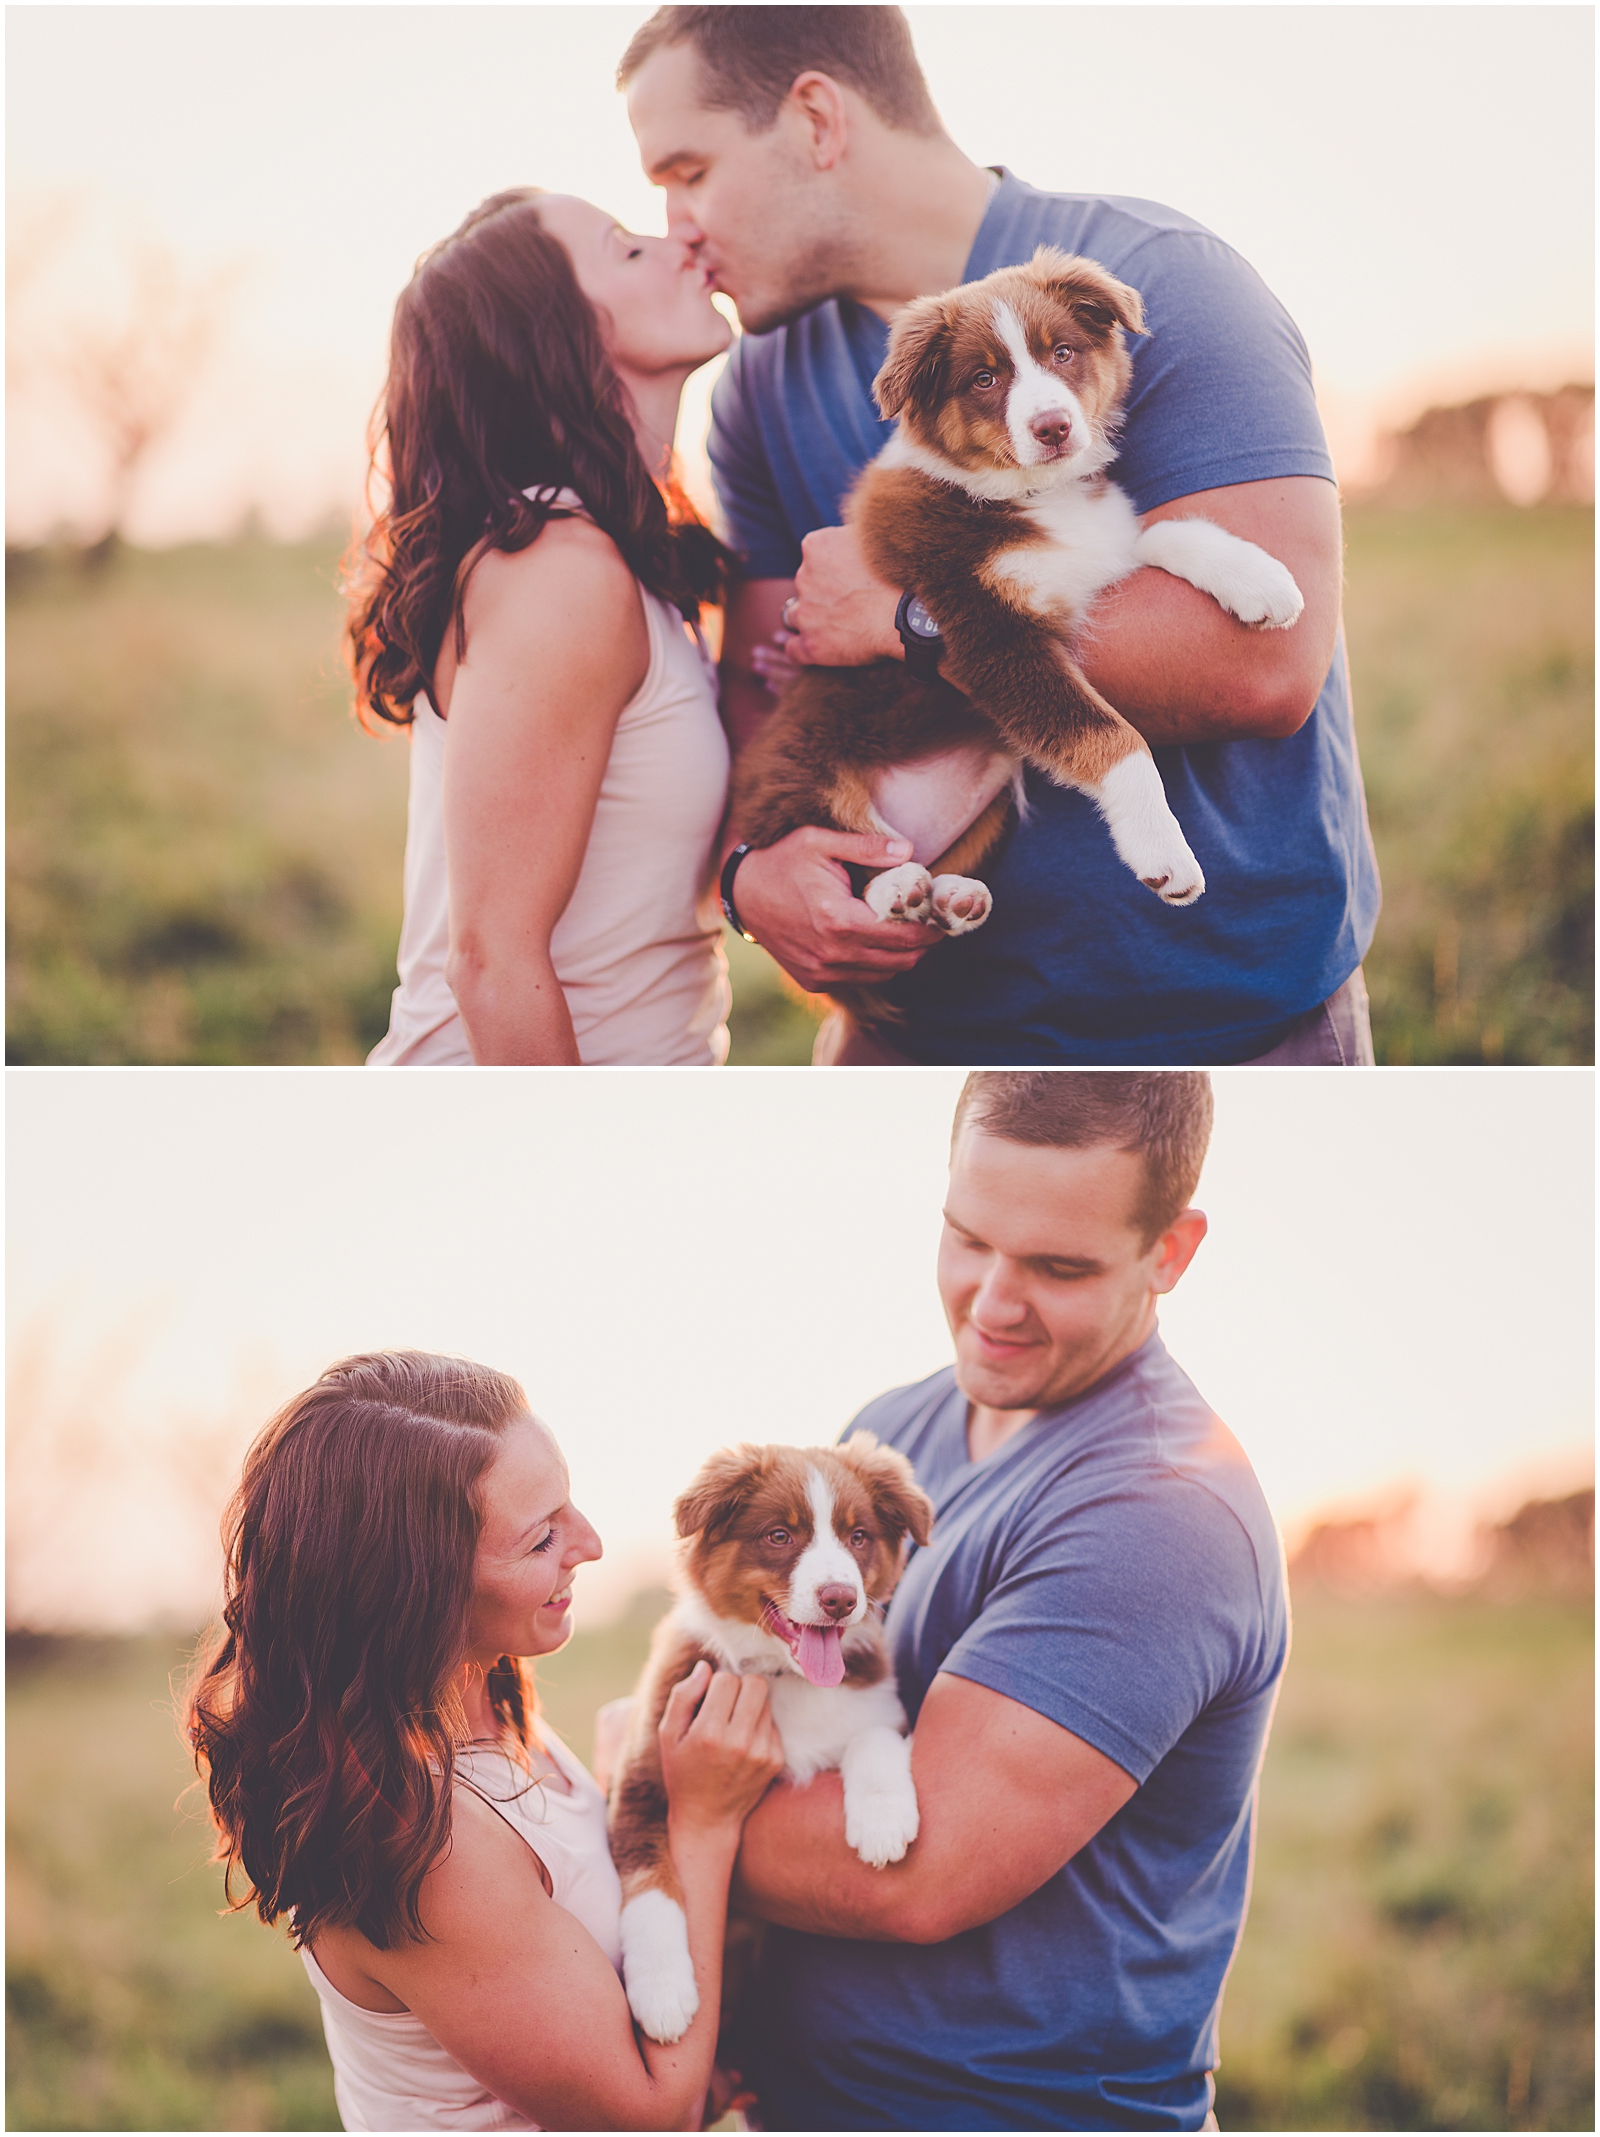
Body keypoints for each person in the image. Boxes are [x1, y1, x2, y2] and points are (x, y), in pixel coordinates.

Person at [619, 6, 1382, 1067]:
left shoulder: (1167, 280)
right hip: (906, 1040)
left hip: (1227, 1037)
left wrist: (905, 621)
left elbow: (1260, 668)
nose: (676, 223)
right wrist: (752, 872)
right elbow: (761, 687)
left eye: (689, 170)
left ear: (815, 120)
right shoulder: (756, 386)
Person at [721, 1073, 1289, 2130]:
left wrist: (665, 1806)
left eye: (1057, 1266)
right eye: (967, 1237)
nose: (990, 1302)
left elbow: (916, 1874)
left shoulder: (1158, 1509)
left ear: (1170, 1251)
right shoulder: (889, 1438)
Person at [184, 1350, 784, 2131]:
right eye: (541, 1540)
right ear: (420, 1593)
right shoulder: (430, 1842)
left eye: (569, 1505)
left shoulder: (480, 1708)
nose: (591, 1543)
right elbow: (648, 2113)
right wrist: (703, 1822)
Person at [351, 189, 737, 1065]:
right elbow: (491, 962)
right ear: (558, 337)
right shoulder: (558, 573)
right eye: (627, 250)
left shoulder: (616, 556)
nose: (677, 241)